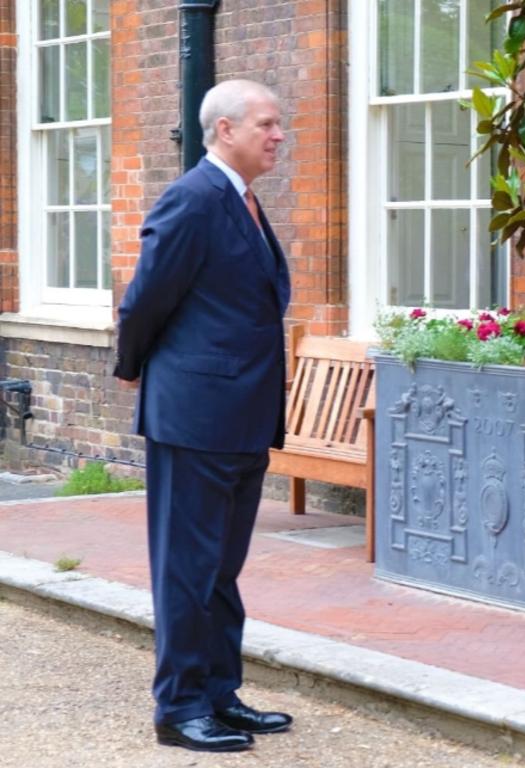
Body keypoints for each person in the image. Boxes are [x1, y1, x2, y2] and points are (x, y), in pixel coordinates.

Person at [114, 79, 293, 750]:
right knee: (187, 569)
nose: (279, 136)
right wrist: (134, 370)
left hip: (242, 418)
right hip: (194, 418)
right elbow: (144, 301)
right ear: (225, 130)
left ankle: (219, 693)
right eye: (267, 124)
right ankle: (180, 708)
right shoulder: (192, 199)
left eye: (279, 125)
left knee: (221, 568)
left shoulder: (242, 201)